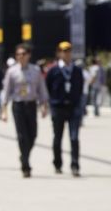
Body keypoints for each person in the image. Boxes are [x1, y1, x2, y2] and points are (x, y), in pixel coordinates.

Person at [1, 44, 48, 178]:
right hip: (18, 105)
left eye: (23, 54)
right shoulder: (12, 71)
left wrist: (44, 106)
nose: (20, 56)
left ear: (28, 55)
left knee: (32, 135)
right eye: (18, 54)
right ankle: (26, 165)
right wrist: (4, 110)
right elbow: (6, 90)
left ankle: (24, 156)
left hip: (31, 105)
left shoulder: (36, 70)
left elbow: (42, 89)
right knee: (22, 136)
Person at [46, 41, 84, 177]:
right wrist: (51, 104)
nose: (66, 53)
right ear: (59, 53)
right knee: (58, 137)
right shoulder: (53, 70)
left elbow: (80, 89)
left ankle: (75, 165)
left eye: (68, 51)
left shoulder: (77, 70)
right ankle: (57, 163)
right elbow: (48, 87)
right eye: (63, 51)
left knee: (74, 138)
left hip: (73, 108)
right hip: (58, 107)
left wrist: (80, 106)